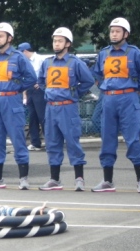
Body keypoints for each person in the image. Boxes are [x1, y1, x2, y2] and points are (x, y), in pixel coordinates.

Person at [92, 17, 140, 193]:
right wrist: (105, 86)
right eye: (112, 31)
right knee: (107, 139)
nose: (114, 34)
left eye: (117, 31)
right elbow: (97, 72)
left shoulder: (134, 53)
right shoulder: (104, 53)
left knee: (133, 139)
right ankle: (107, 181)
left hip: (128, 99)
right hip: (108, 99)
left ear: (126, 34)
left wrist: (137, 89)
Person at [0, 22, 37, 190]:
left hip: (12, 101)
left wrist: (17, 89)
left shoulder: (18, 57)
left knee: (18, 139)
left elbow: (32, 78)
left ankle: (24, 178)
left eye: (1, 36)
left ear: (9, 38)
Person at [37, 27, 95, 191]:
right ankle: (54, 179)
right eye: (55, 40)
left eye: (60, 41)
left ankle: (79, 178)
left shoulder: (75, 62)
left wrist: (74, 93)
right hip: (51, 107)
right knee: (52, 143)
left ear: (68, 44)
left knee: (72, 142)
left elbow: (88, 80)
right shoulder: (47, 62)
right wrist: (49, 92)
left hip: (68, 108)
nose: (56, 44)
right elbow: (41, 81)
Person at [17, 42, 46, 151]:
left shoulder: (40, 59)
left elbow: (47, 73)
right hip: (29, 90)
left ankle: (51, 141)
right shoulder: (24, 62)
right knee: (32, 117)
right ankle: (35, 143)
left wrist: (42, 84)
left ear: (25, 51)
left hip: (39, 90)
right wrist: (24, 94)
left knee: (42, 117)